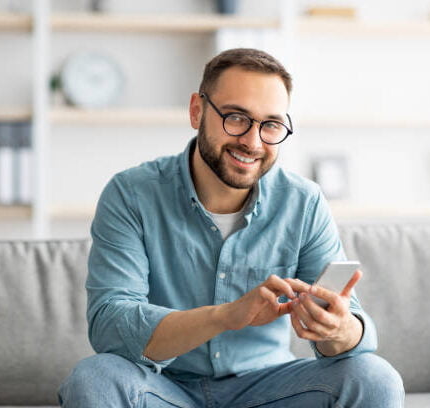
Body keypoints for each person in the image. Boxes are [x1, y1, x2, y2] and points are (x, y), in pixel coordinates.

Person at [58, 48, 404, 407]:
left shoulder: (303, 202)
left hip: (270, 390)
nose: (253, 143)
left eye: (270, 124)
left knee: (375, 379)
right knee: (94, 378)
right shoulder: (131, 194)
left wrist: (339, 328)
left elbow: (353, 334)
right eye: (236, 118)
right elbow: (111, 325)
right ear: (197, 111)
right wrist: (225, 316)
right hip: (163, 389)